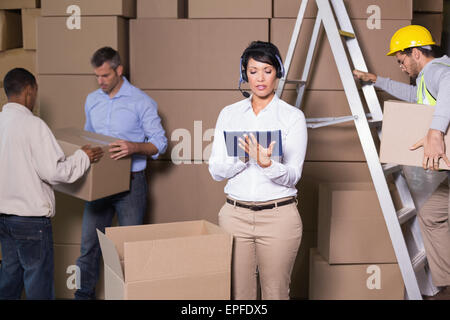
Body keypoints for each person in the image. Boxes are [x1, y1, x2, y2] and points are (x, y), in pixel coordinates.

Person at [353, 25, 450, 299]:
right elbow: (414, 98)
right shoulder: (424, 80)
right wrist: (377, 80)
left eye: (402, 60)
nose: (402, 65)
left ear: (416, 53)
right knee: (431, 215)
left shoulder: (437, 72)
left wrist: (435, 132)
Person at [208, 41, 307, 300]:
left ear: (278, 73)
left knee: (275, 293)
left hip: (278, 217)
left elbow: (293, 174)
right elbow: (216, 171)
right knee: (240, 295)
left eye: (267, 70)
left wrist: (267, 165)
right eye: (253, 71)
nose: (260, 78)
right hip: (234, 216)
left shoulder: (292, 117)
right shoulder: (229, 115)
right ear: (244, 74)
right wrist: (243, 159)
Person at [0, 68, 103, 300]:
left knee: (10, 279)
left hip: (4, 220)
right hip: (31, 222)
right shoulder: (34, 126)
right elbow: (56, 172)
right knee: (38, 284)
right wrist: (83, 157)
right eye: (35, 92)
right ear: (29, 91)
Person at [74, 47, 168, 300]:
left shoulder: (141, 102)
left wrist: (134, 147)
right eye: (97, 76)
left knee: (129, 250)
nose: (100, 81)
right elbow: (88, 135)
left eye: (105, 75)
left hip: (131, 185)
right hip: (98, 183)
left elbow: (160, 143)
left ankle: (130, 296)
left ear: (119, 70)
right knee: (88, 246)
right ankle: (83, 295)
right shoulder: (92, 100)